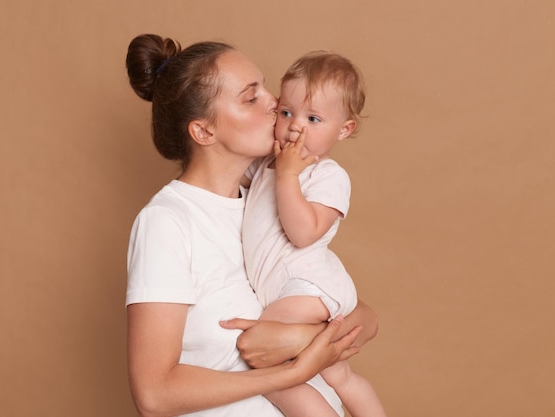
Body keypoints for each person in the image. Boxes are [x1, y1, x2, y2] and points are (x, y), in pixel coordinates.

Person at [124, 34, 379, 417]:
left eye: (266, 88)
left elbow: (362, 317)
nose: (275, 103)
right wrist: (294, 369)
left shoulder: (266, 196)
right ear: (204, 131)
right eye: (250, 97)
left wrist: (302, 337)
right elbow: (154, 395)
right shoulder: (167, 222)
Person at [242, 51, 387, 417]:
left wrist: (287, 176)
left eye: (314, 118)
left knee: (268, 364)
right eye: (287, 112)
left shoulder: (328, 176)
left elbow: (303, 233)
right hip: (285, 285)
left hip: (309, 285)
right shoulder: (267, 166)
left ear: (344, 129)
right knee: (339, 375)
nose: (296, 127)